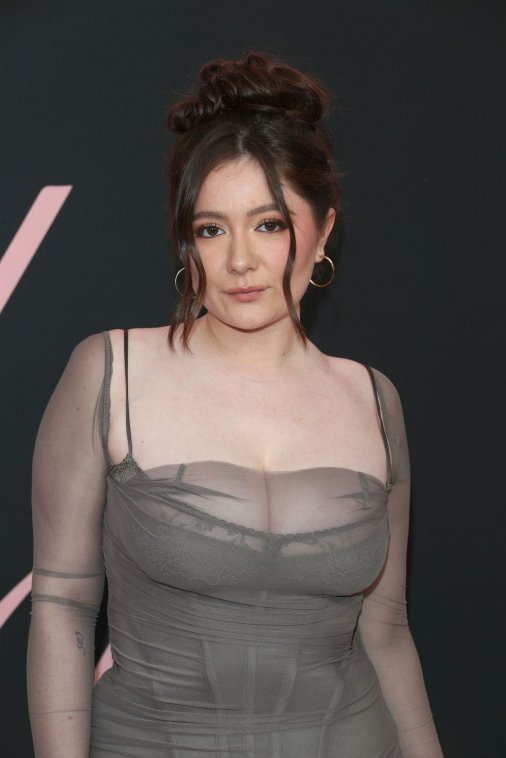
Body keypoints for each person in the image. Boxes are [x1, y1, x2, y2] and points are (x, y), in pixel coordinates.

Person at [26, 51, 444, 757]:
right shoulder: (111, 373)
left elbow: (387, 629)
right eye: (211, 228)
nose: (240, 260)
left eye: (270, 224)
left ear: (323, 230)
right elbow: (62, 608)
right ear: (186, 242)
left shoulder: (374, 400)